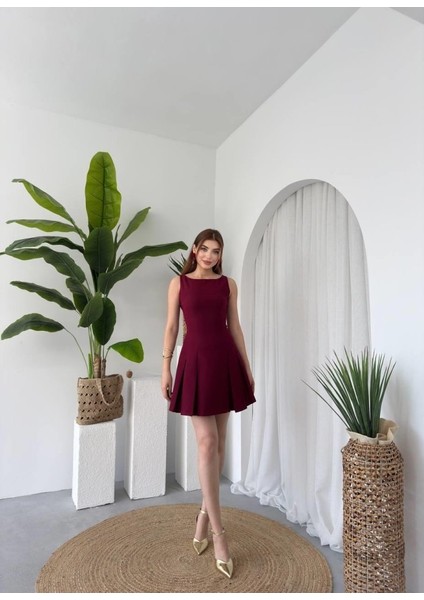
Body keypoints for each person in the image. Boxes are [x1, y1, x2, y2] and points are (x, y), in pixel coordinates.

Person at [161, 228, 256, 579]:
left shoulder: (228, 285)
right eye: (205, 249)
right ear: (194, 250)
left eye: (216, 251)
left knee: (219, 445)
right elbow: (172, 327)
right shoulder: (179, 284)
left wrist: (247, 367)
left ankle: (203, 515)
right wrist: (166, 367)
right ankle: (218, 534)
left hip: (224, 362)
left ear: (220, 255)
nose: (209, 256)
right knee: (207, 442)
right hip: (195, 363)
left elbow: (236, 328)